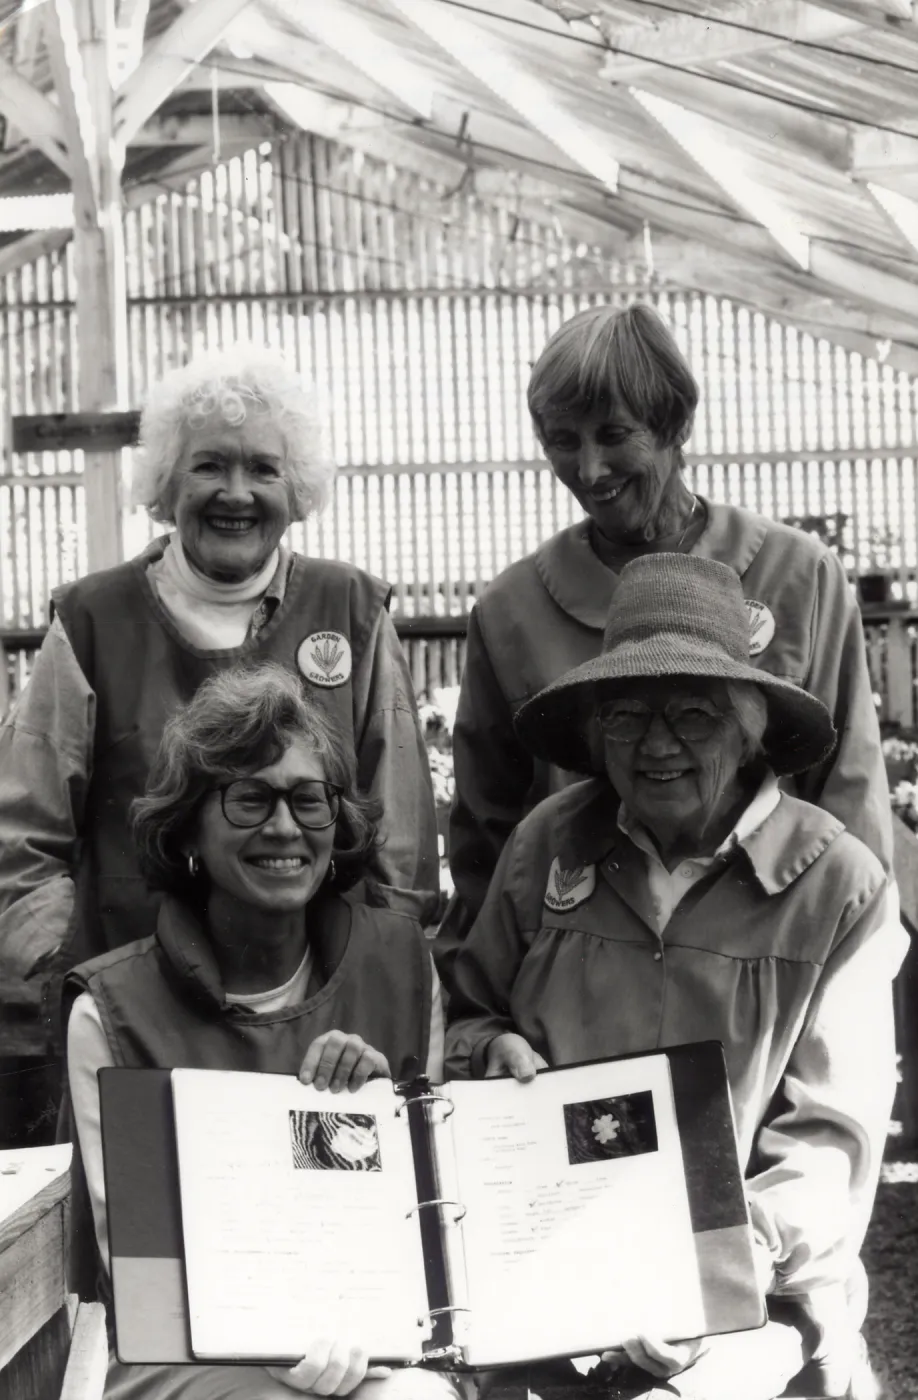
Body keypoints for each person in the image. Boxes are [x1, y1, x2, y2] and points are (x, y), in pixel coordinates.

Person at [445, 553, 906, 1400]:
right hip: (550, 1273)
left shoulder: (836, 887)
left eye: (694, 715)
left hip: (752, 1296)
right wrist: (490, 1049)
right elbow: (464, 1015)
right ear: (593, 732)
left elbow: (829, 1143)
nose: (657, 745)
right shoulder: (547, 844)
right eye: (625, 717)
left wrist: (718, 1263)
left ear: (750, 728)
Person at [440, 302, 891, 975]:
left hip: (768, 963)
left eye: (614, 434)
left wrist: (852, 964)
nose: (589, 469)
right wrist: (478, 1009)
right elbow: (485, 829)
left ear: (676, 425)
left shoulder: (798, 575)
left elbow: (848, 791)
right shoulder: (513, 608)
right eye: (563, 441)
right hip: (580, 970)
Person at [0, 349, 438, 1010]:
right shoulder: (93, 622)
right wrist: (69, 972)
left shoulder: (350, 611)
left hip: (323, 1009)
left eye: (263, 468)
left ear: (296, 491)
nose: (236, 493)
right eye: (209, 465)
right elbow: (22, 839)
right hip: (137, 1007)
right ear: (168, 483)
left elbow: (399, 845)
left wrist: (377, 983)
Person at [65, 663, 455, 1400]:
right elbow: (147, 1270)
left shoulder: (402, 965)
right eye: (249, 800)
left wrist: (359, 1126)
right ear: (187, 827)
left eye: (310, 801)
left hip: (376, 1332)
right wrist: (275, 1330)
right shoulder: (111, 1013)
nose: (284, 827)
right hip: (192, 1351)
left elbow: (423, 1228)